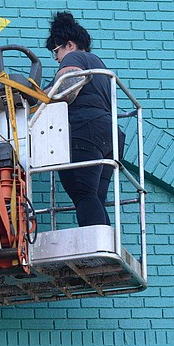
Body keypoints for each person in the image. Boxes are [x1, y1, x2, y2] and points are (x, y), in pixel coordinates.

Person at [45, 12, 126, 227]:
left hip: (84, 130)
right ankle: (106, 250)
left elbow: (68, 91)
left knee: (83, 194)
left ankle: (97, 255)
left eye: (56, 50)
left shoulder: (74, 57)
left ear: (69, 44)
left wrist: (37, 99)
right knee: (95, 198)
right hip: (110, 136)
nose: (56, 58)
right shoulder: (100, 65)